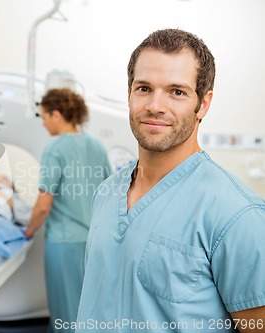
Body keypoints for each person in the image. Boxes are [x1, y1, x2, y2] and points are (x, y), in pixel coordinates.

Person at [76, 29, 265, 333]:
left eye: (177, 91)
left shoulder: (238, 215)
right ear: (129, 94)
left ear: (203, 104)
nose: (155, 106)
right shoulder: (106, 192)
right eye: (144, 88)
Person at [23, 88, 111, 333]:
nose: (43, 123)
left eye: (44, 117)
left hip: (64, 244)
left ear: (57, 114)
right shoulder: (96, 145)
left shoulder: (55, 149)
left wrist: (28, 231)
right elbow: (108, 192)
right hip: (92, 242)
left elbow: (42, 205)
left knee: (65, 311)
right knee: (88, 308)